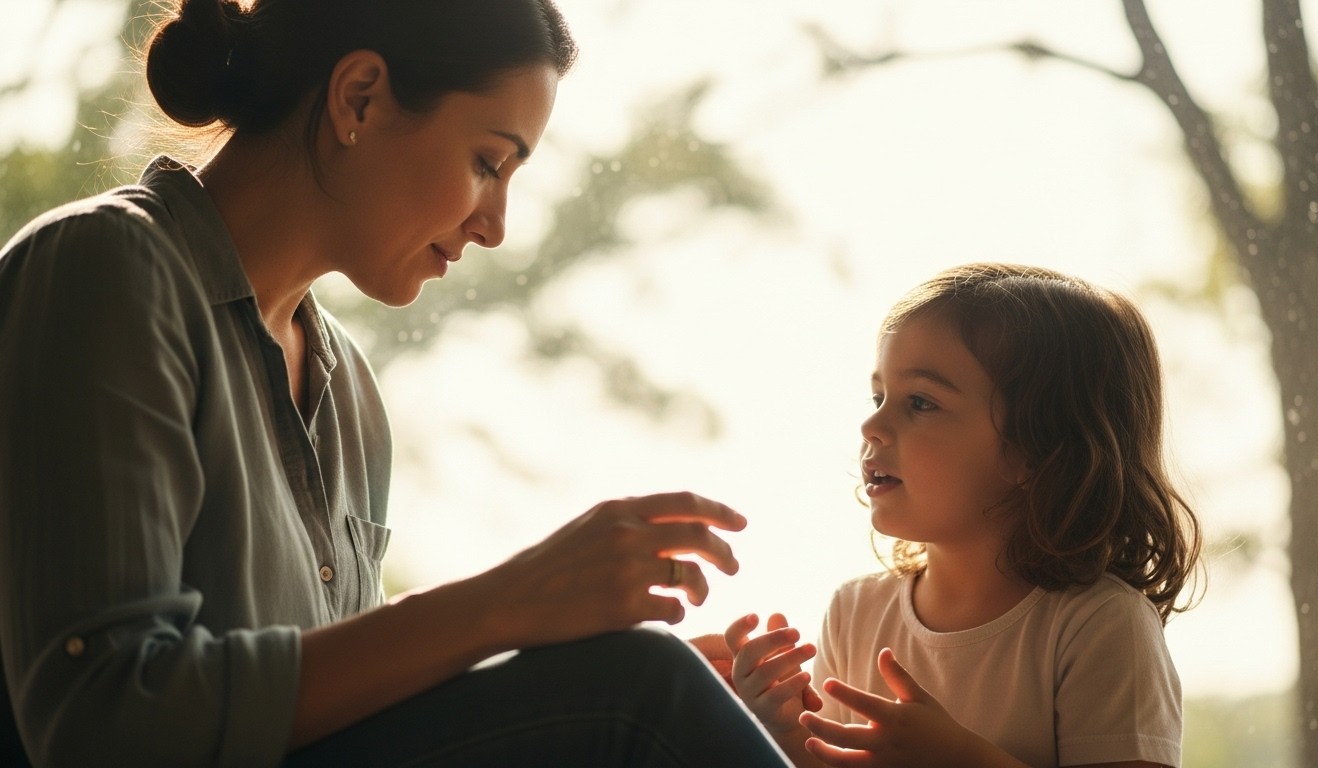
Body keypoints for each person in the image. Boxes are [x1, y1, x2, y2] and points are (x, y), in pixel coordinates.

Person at [0, 1, 791, 765]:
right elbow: (102, 724)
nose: (496, 226)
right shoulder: (103, 270)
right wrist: (510, 608)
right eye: (488, 163)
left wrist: (572, 713)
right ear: (361, 98)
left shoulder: (350, 397)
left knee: (645, 690)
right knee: (638, 689)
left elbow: (353, 729)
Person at [705, 263, 1203, 767]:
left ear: (1034, 450)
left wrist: (961, 759)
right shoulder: (855, 614)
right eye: (879, 397)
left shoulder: (1101, 626)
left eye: (920, 402)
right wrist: (782, 726)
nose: (872, 424)